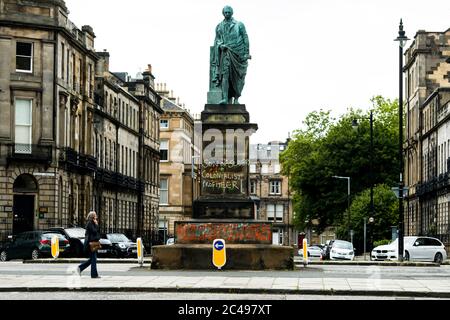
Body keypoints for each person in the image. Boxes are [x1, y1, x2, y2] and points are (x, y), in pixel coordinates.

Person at [211, 6, 251, 105]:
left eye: (229, 12)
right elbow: (217, 40)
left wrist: (246, 52)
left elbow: (245, 38)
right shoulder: (219, 26)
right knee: (225, 75)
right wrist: (220, 45)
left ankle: (236, 99)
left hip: (238, 54)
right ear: (223, 13)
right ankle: (225, 98)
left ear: (232, 13)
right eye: (225, 12)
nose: (227, 14)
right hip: (226, 53)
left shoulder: (239, 24)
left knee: (239, 77)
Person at [76, 211, 101, 278]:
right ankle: (93, 275)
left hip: (92, 243)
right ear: (93, 216)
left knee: (92, 259)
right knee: (93, 259)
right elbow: (94, 231)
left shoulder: (91, 223)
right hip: (91, 244)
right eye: (95, 215)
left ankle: (79, 268)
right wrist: (96, 225)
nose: (96, 216)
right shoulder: (90, 223)